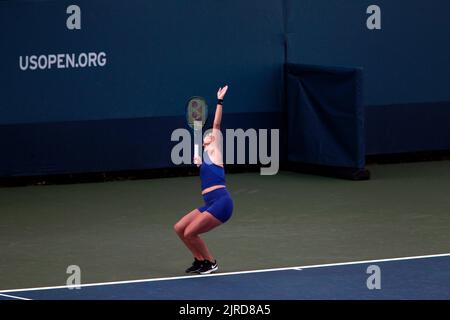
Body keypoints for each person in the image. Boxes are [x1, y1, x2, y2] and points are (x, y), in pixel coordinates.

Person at [174, 85, 234, 274]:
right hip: (209, 203)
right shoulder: (204, 158)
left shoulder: (216, 152)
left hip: (222, 203)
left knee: (191, 232)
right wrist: (199, 162)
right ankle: (200, 261)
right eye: (206, 135)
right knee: (180, 228)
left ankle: (211, 262)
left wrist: (219, 101)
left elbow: (216, 125)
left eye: (211, 135)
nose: (209, 134)